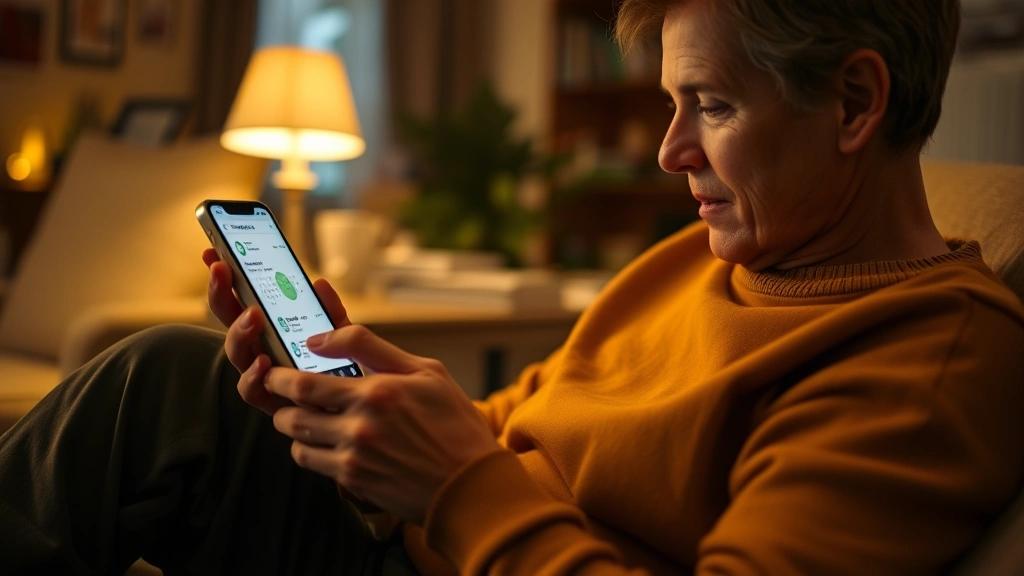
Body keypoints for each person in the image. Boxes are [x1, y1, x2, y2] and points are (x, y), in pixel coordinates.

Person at [2, 0, 1023, 574]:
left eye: (707, 105)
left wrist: (454, 483)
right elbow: (529, 431)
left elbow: (491, 487)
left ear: (853, 103)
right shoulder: (718, 255)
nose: (669, 152)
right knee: (170, 384)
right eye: (671, 104)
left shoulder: (927, 360)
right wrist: (388, 400)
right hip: (413, 536)